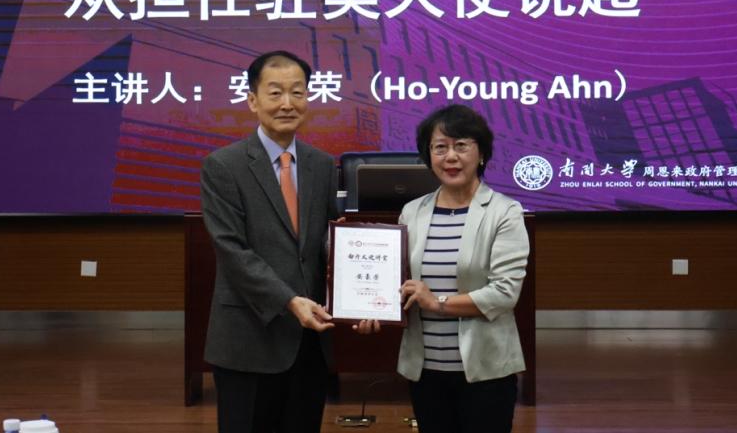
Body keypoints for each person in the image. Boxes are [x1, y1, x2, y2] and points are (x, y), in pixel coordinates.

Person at [355, 104, 530, 433]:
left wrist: (438, 303)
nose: (451, 156)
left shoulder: (505, 212)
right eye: (440, 147)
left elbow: (504, 293)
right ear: (428, 156)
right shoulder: (412, 212)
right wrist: (371, 307)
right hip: (426, 371)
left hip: (486, 371)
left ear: (481, 154)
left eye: (461, 145)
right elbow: (399, 283)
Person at [200, 50, 340, 433]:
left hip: (309, 341)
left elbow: (328, 243)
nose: (287, 103)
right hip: (249, 338)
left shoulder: (322, 165)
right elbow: (232, 250)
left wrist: (360, 291)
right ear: (253, 100)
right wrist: (288, 301)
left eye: (297, 92)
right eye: (275, 92)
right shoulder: (223, 166)